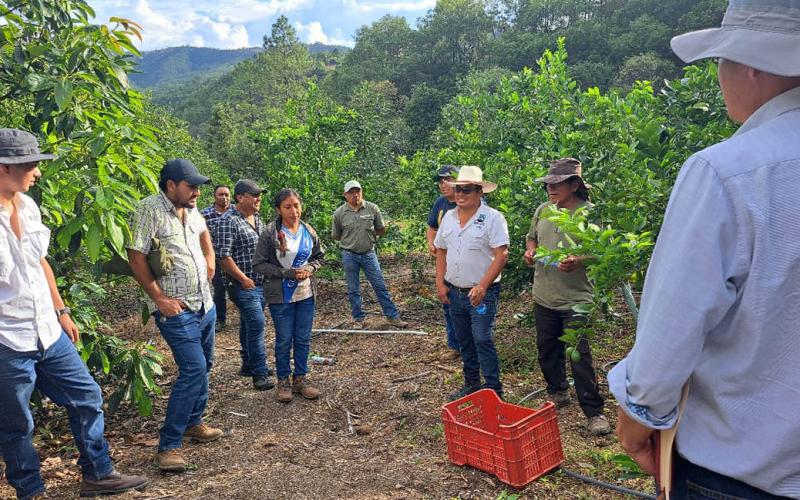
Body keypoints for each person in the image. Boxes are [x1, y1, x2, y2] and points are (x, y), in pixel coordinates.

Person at [609, 2, 800, 498]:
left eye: (721, 60)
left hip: (741, 472)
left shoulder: (730, 171)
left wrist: (639, 416)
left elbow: (675, 321)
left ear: (753, 64)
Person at [0, 128, 149, 498]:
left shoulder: (28, 206)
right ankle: (30, 491)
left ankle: (98, 473)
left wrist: (61, 309)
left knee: (87, 397)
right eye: (30, 165)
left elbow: (39, 262)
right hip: (7, 339)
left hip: (47, 331)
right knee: (17, 425)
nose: (37, 173)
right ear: (4, 168)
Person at [128, 158, 222, 473]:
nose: (196, 192)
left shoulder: (193, 211)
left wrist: (210, 258)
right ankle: (169, 445)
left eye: (197, 187)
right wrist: (159, 298)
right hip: (176, 308)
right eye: (190, 186)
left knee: (205, 364)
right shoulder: (148, 210)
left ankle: (194, 422)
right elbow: (136, 257)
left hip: (204, 304)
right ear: (171, 185)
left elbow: (204, 235)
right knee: (193, 368)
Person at [523, 158, 610, 436]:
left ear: (575, 184)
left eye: (557, 183)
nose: (551, 188)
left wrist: (579, 260)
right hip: (544, 295)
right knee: (546, 348)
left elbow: (603, 252)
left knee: (579, 356)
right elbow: (531, 237)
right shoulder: (543, 210)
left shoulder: (591, 214)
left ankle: (594, 411)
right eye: (549, 183)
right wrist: (530, 251)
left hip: (576, 298)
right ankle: (558, 391)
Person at [434, 166, 509, 400]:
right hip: (455, 291)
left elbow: (502, 255)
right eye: (458, 189)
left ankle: (494, 389)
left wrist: (483, 285)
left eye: (466, 190)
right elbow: (441, 251)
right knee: (464, 339)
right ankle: (472, 383)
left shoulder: (493, 218)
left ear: (480, 192)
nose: (460, 194)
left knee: (482, 337)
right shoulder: (448, 217)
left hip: (481, 293)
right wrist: (440, 283)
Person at [253, 189, 325, 403]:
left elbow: (319, 256)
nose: (294, 211)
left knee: (303, 338)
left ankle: (300, 379)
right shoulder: (270, 234)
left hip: (305, 294)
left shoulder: (307, 230)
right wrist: (285, 273)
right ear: (278, 210)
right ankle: (283, 380)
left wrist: (310, 269)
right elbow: (258, 264)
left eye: (296, 205)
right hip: (281, 295)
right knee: (284, 339)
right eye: (288, 207)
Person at [214, 179, 274, 391]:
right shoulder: (227, 221)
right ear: (241, 197)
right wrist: (243, 279)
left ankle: (248, 364)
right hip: (242, 284)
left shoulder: (257, 218)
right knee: (257, 324)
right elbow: (223, 256)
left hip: (261, 282)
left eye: (260, 195)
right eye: (254, 195)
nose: (259, 199)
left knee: (249, 323)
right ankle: (260, 372)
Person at [332, 180, 408, 328]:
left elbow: (381, 229)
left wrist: (367, 237)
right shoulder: (339, 213)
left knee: (379, 285)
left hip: (368, 254)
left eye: (358, 191)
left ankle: (392, 316)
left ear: (362, 192)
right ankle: (358, 319)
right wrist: (352, 241)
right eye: (351, 192)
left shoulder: (372, 209)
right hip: (349, 255)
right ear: (345, 195)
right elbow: (336, 235)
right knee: (353, 289)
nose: (355, 195)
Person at [426, 165, 461, 362]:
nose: (443, 185)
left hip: (465, 265)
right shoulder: (440, 204)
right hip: (445, 264)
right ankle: (455, 345)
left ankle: (470, 345)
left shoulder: (469, 203)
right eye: (440, 182)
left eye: (447, 180)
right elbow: (431, 226)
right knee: (447, 303)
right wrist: (431, 243)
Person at [201, 185, 231, 328]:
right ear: (215, 196)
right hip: (216, 258)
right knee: (218, 289)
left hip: (234, 258)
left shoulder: (235, 212)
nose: (224, 197)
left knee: (238, 287)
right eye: (221, 194)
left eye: (226, 194)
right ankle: (220, 319)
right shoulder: (205, 214)